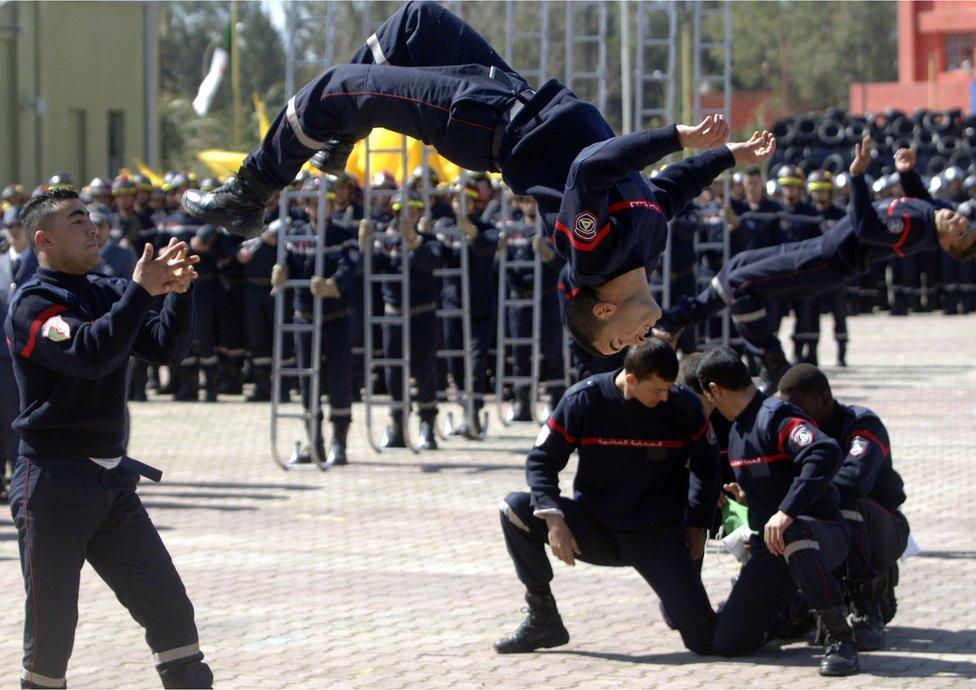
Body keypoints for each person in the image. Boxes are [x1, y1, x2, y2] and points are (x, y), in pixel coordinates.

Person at [181, 0, 775, 354]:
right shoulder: (646, 241)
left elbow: (593, 166)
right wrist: (731, 156)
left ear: (601, 311)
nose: (639, 340)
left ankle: (250, 191)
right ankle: (342, 135)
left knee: (338, 89)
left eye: (620, 343)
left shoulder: (590, 255)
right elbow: (669, 190)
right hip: (517, 95)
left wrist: (675, 136)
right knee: (416, 23)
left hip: (484, 125)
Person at [3, 188, 212, 689]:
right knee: (52, 638)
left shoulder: (107, 288)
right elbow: (90, 353)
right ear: (43, 240)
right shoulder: (33, 302)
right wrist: (141, 292)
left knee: (171, 614)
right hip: (51, 485)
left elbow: (164, 349)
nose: (92, 228)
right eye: (77, 221)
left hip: (111, 484)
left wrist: (177, 295)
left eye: (92, 219)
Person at [655, 137, 976, 393]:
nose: (959, 221)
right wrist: (907, 173)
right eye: (967, 225)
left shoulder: (916, 229)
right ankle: (677, 318)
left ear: (945, 245)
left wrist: (857, 176)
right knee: (738, 265)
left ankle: (774, 362)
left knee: (741, 285)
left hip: (828, 261)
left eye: (960, 233)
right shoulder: (936, 212)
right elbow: (922, 199)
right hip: (821, 246)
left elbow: (867, 227)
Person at [494, 339, 720, 656]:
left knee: (707, 642)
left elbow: (708, 466)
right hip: (594, 530)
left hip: (657, 536)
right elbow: (541, 462)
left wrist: (698, 524)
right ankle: (542, 618)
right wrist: (554, 518)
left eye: (668, 388)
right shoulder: (584, 400)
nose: (664, 396)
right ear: (630, 379)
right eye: (656, 390)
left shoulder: (683, 406)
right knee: (514, 507)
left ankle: (685, 604)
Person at [696, 348, 858, 676]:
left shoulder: (774, 415)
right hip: (773, 551)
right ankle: (793, 613)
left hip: (823, 535)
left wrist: (785, 511)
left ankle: (840, 637)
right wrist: (750, 500)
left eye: (705, 397)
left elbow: (824, 451)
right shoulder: (738, 431)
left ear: (714, 390)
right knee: (730, 641)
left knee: (792, 530)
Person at [777, 364, 908, 650]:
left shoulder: (861, 425)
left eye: (800, 407)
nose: (795, 416)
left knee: (846, 503)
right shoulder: (793, 432)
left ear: (824, 399)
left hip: (881, 528)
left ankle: (866, 604)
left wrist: (797, 495)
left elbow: (853, 481)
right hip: (831, 529)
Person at [0, 206, 38, 501]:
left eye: (17, 225)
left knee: (19, 417)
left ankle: (21, 477)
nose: (12, 230)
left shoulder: (40, 263)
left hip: (29, 355)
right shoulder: (1, 262)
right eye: (8, 225)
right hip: (0, 355)